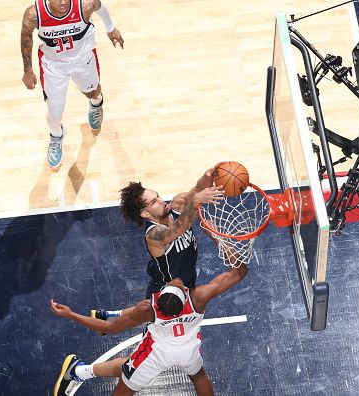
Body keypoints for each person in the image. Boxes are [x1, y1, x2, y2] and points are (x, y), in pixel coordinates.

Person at [50, 259, 249, 396]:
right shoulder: (198, 298)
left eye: (174, 283)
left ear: (160, 294)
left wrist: (70, 314)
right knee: (199, 377)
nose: (176, 279)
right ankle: (80, 371)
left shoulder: (149, 309)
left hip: (154, 355)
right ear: (186, 292)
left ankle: (79, 372)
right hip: (188, 351)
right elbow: (239, 272)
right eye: (177, 283)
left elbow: (109, 329)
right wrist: (215, 236)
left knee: (124, 389)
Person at [20, 0, 124, 169]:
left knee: (93, 92)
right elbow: (26, 36)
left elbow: (101, 8)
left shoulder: (85, 5)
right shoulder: (34, 14)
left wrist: (111, 29)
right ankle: (56, 135)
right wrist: (28, 69)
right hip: (53, 65)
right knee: (55, 110)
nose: (63, 2)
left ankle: (96, 103)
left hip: (82, 59)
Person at [118, 163, 225, 298]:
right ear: (144, 214)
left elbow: (198, 189)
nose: (161, 201)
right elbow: (180, 226)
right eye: (154, 202)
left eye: (158, 196)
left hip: (186, 283)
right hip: (166, 293)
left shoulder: (177, 204)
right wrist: (195, 202)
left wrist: (208, 176)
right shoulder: (154, 235)